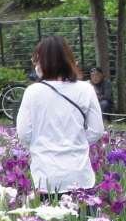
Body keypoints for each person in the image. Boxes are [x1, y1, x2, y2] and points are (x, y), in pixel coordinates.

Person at [16, 35, 105, 195]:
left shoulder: (33, 92)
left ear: (41, 62)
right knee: (84, 219)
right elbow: (97, 130)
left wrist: (44, 144)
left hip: (46, 177)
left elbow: (24, 134)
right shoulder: (86, 89)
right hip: (80, 175)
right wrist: (76, 141)